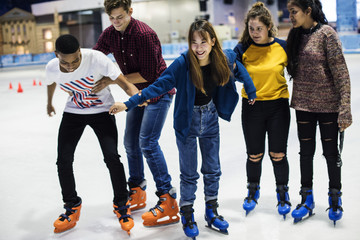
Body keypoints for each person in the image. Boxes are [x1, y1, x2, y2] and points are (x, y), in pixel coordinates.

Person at [108, 19, 257, 239]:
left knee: (212, 169)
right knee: (189, 174)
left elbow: (238, 67)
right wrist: (128, 103)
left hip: (211, 118)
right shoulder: (183, 62)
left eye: (203, 42)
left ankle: (211, 210)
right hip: (187, 123)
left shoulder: (223, 57)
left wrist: (251, 90)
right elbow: (159, 85)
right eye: (194, 42)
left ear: (212, 42)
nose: (199, 47)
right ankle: (187, 213)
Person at [92, 0, 178, 227]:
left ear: (130, 11)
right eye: (112, 18)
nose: (116, 22)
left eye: (120, 17)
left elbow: (150, 74)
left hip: (158, 92)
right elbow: (96, 56)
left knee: (147, 143)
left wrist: (111, 79)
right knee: (131, 143)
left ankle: (167, 197)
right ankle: (137, 189)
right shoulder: (110, 33)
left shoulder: (144, 34)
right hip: (136, 94)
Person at [46, 34, 138, 235]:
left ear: (80, 52)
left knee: (112, 157)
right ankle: (71, 207)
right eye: (65, 62)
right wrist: (49, 102)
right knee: (63, 160)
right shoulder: (52, 66)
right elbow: (51, 82)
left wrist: (137, 96)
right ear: (56, 55)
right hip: (73, 113)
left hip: (102, 113)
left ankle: (122, 205)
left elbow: (123, 82)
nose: (70, 66)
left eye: (75, 60)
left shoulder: (96, 58)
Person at [286, 0, 352, 225]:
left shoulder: (327, 34)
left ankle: (335, 197)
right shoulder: (294, 36)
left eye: (294, 12)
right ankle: (307, 199)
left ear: (308, 11)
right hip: (303, 105)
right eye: (289, 12)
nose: (291, 16)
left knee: (331, 154)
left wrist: (345, 109)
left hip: (328, 107)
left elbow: (341, 73)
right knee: (305, 153)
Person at [233, 2, 291, 219]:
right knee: (254, 155)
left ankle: (282, 192)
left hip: (278, 107)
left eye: (259, 28)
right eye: (251, 28)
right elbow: (227, 71)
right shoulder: (242, 50)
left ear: (268, 27)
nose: (255, 33)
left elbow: (300, 71)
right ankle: (252, 190)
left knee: (278, 154)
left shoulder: (282, 47)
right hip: (252, 107)